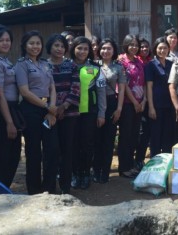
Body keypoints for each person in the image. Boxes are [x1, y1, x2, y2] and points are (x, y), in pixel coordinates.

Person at [15, 30, 58, 195]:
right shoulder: (21, 64)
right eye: (31, 43)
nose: (35, 46)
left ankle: (49, 189)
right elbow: (24, 92)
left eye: (38, 43)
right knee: (34, 151)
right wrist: (47, 107)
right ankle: (34, 190)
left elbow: (52, 87)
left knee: (52, 148)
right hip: (31, 110)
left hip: (48, 111)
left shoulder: (45, 64)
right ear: (25, 45)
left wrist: (52, 109)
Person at [0, 24, 22, 189]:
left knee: (13, 155)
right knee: (2, 154)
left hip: (12, 108)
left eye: (8, 40)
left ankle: (4, 189)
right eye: (1, 40)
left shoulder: (4, 60)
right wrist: (8, 122)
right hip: (3, 111)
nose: (6, 43)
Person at [70, 36, 106, 188]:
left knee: (87, 144)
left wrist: (101, 113)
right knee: (72, 144)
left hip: (89, 112)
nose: (82, 51)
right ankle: (73, 173)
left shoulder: (96, 68)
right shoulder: (67, 65)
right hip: (69, 112)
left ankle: (85, 174)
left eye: (85, 49)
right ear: (73, 49)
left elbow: (101, 92)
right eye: (79, 48)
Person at [46, 34, 80, 194]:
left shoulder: (72, 65)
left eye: (62, 46)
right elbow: (40, 88)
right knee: (51, 150)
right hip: (48, 114)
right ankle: (50, 187)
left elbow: (76, 87)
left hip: (69, 114)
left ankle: (65, 186)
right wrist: (52, 109)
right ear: (50, 48)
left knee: (67, 150)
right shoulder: (43, 65)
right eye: (56, 46)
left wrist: (64, 106)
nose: (59, 49)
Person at [94, 38, 126, 183]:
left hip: (112, 104)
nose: (105, 51)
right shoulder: (93, 65)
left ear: (114, 51)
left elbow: (122, 89)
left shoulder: (118, 67)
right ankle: (95, 171)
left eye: (109, 48)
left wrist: (119, 109)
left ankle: (105, 173)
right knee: (96, 140)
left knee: (108, 140)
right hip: (95, 105)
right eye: (103, 48)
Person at [117, 34, 144, 178]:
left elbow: (143, 82)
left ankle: (130, 164)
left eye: (136, 45)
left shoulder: (139, 61)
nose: (134, 47)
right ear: (126, 45)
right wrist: (134, 102)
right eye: (131, 44)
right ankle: (123, 167)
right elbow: (124, 85)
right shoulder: (122, 61)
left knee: (134, 136)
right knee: (125, 136)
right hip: (128, 104)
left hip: (139, 104)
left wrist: (143, 101)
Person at [145, 37, 175, 157]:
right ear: (155, 49)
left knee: (167, 136)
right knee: (156, 137)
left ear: (168, 49)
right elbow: (149, 87)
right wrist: (151, 107)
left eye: (165, 48)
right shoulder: (151, 65)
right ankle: (155, 164)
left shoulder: (171, 64)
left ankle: (166, 164)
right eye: (160, 48)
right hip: (156, 105)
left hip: (169, 105)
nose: (162, 50)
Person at [135, 37, 152, 170]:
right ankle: (135, 160)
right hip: (135, 101)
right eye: (141, 47)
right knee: (138, 132)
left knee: (146, 132)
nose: (144, 49)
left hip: (148, 100)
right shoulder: (136, 62)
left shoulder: (150, 62)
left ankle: (140, 159)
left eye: (146, 46)